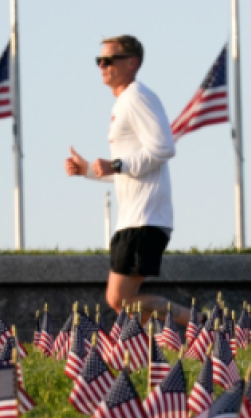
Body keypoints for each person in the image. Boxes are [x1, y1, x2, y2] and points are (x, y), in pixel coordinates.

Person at [65, 35, 190, 325]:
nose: (102, 66)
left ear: (132, 62)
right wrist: (88, 170)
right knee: (125, 301)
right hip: (135, 218)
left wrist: (116, 164)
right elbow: (127, 171)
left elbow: (164, 148)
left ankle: (207, 326)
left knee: (118, 298)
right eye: (99, 61)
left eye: (109, 60)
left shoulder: (137, 97)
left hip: (144, 218)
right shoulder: (124, 102)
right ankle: (148, 346)